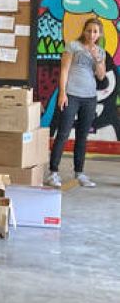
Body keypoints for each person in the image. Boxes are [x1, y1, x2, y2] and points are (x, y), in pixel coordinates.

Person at [46, 17, 108, 188]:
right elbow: (64, 70)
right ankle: (53, 173)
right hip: (71, 95)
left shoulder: (100, 52)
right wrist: (62, 93)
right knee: (63, 134)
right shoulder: (73, 46)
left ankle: (79, 173)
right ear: (84, 31)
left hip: (89, 98)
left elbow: (101, 76)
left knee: (82, 136)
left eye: (95, 32)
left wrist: (97, 58)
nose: (91, 34)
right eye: (89, 30)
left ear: (99, 34)